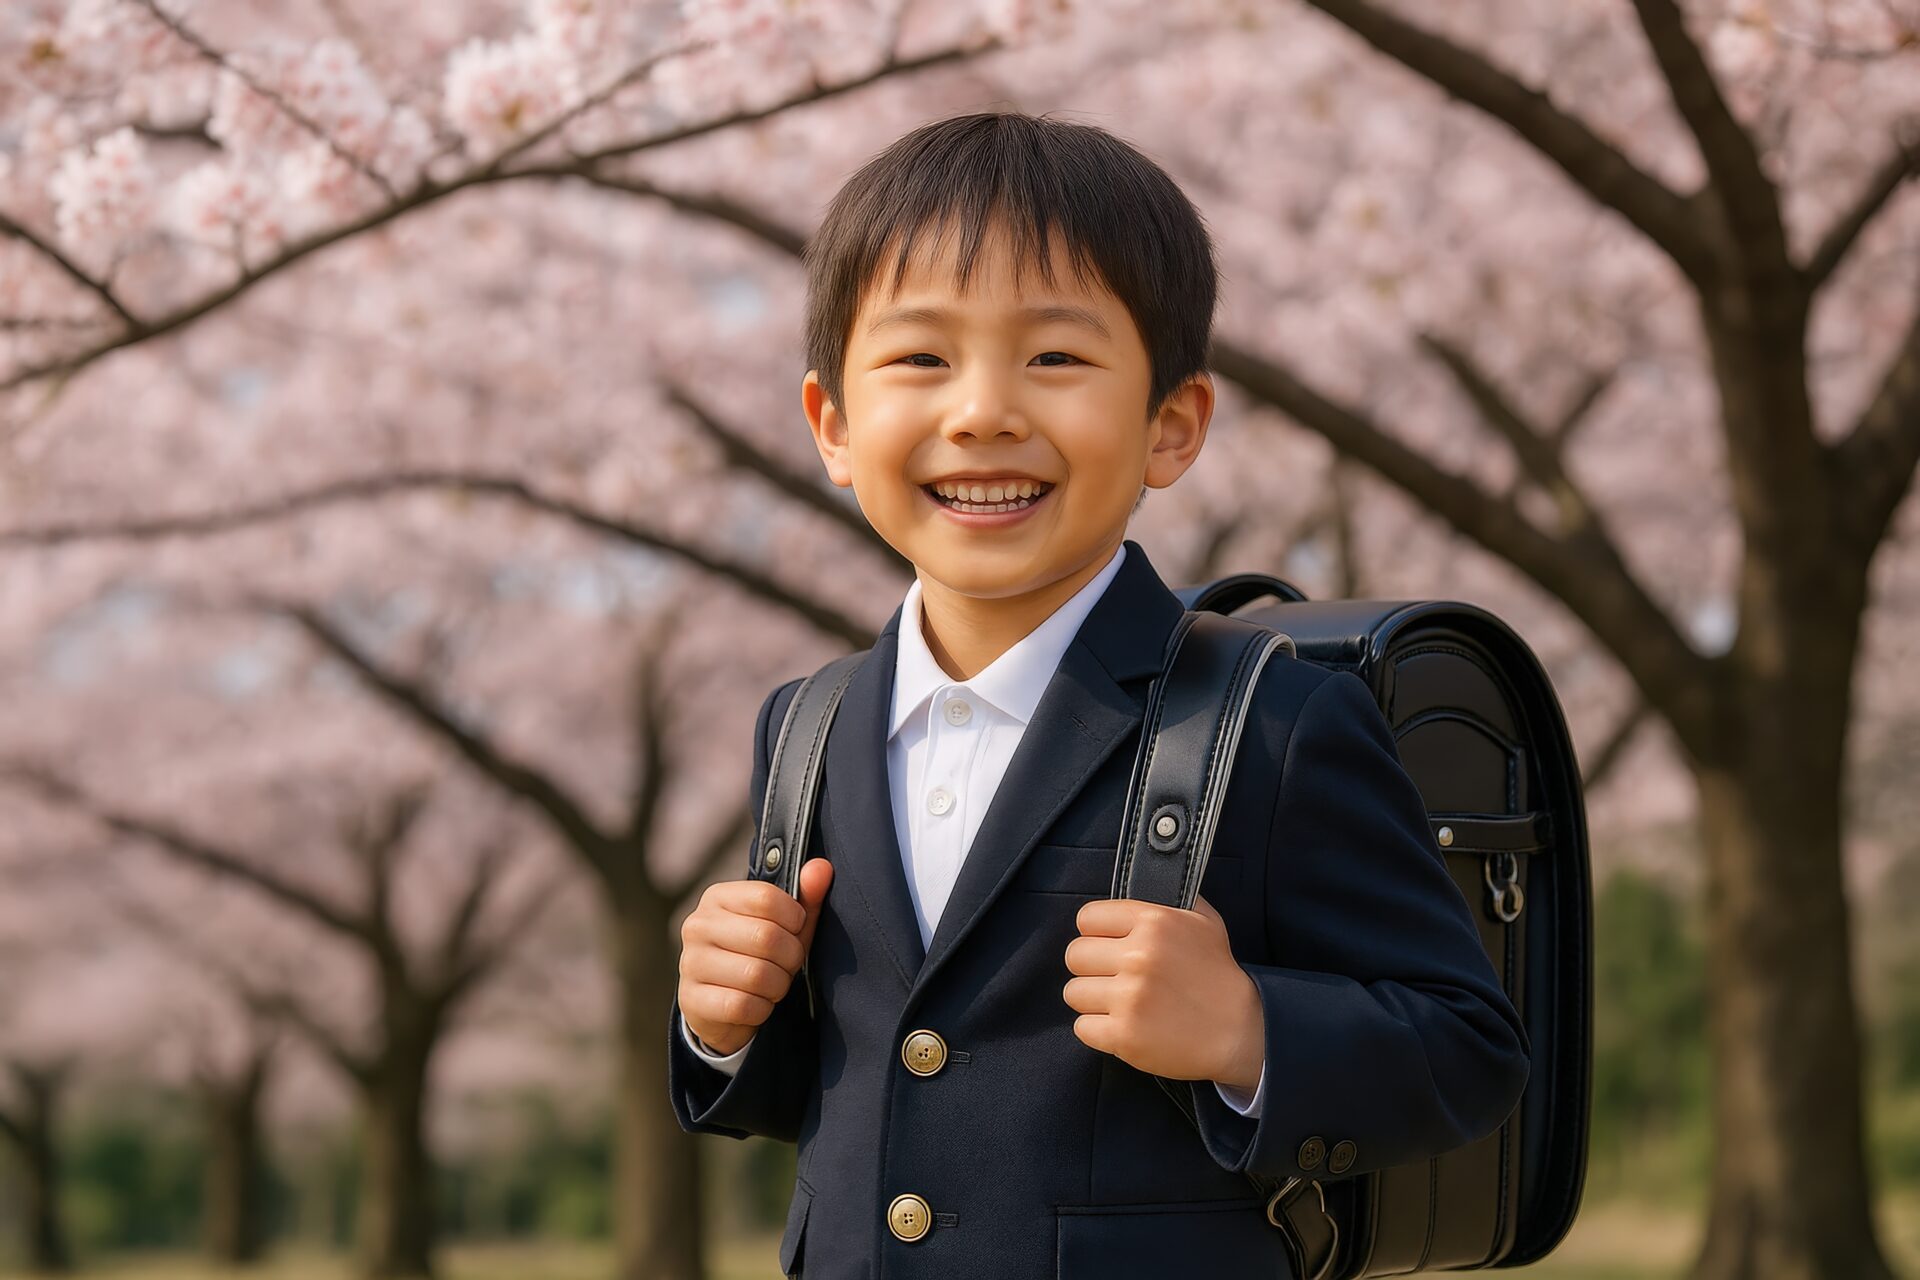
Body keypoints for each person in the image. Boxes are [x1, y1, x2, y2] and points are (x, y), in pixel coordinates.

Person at [668, 110, 1529, 1279]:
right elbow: (860, 1076)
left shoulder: (1270, 723)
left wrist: (1246, 1028)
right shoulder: (807, 725)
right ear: (833, 426)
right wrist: (722, 1024)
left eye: (1056, 359)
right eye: (921, 359)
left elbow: (1470, 1049)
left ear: (1171, 425)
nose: (983, 411)